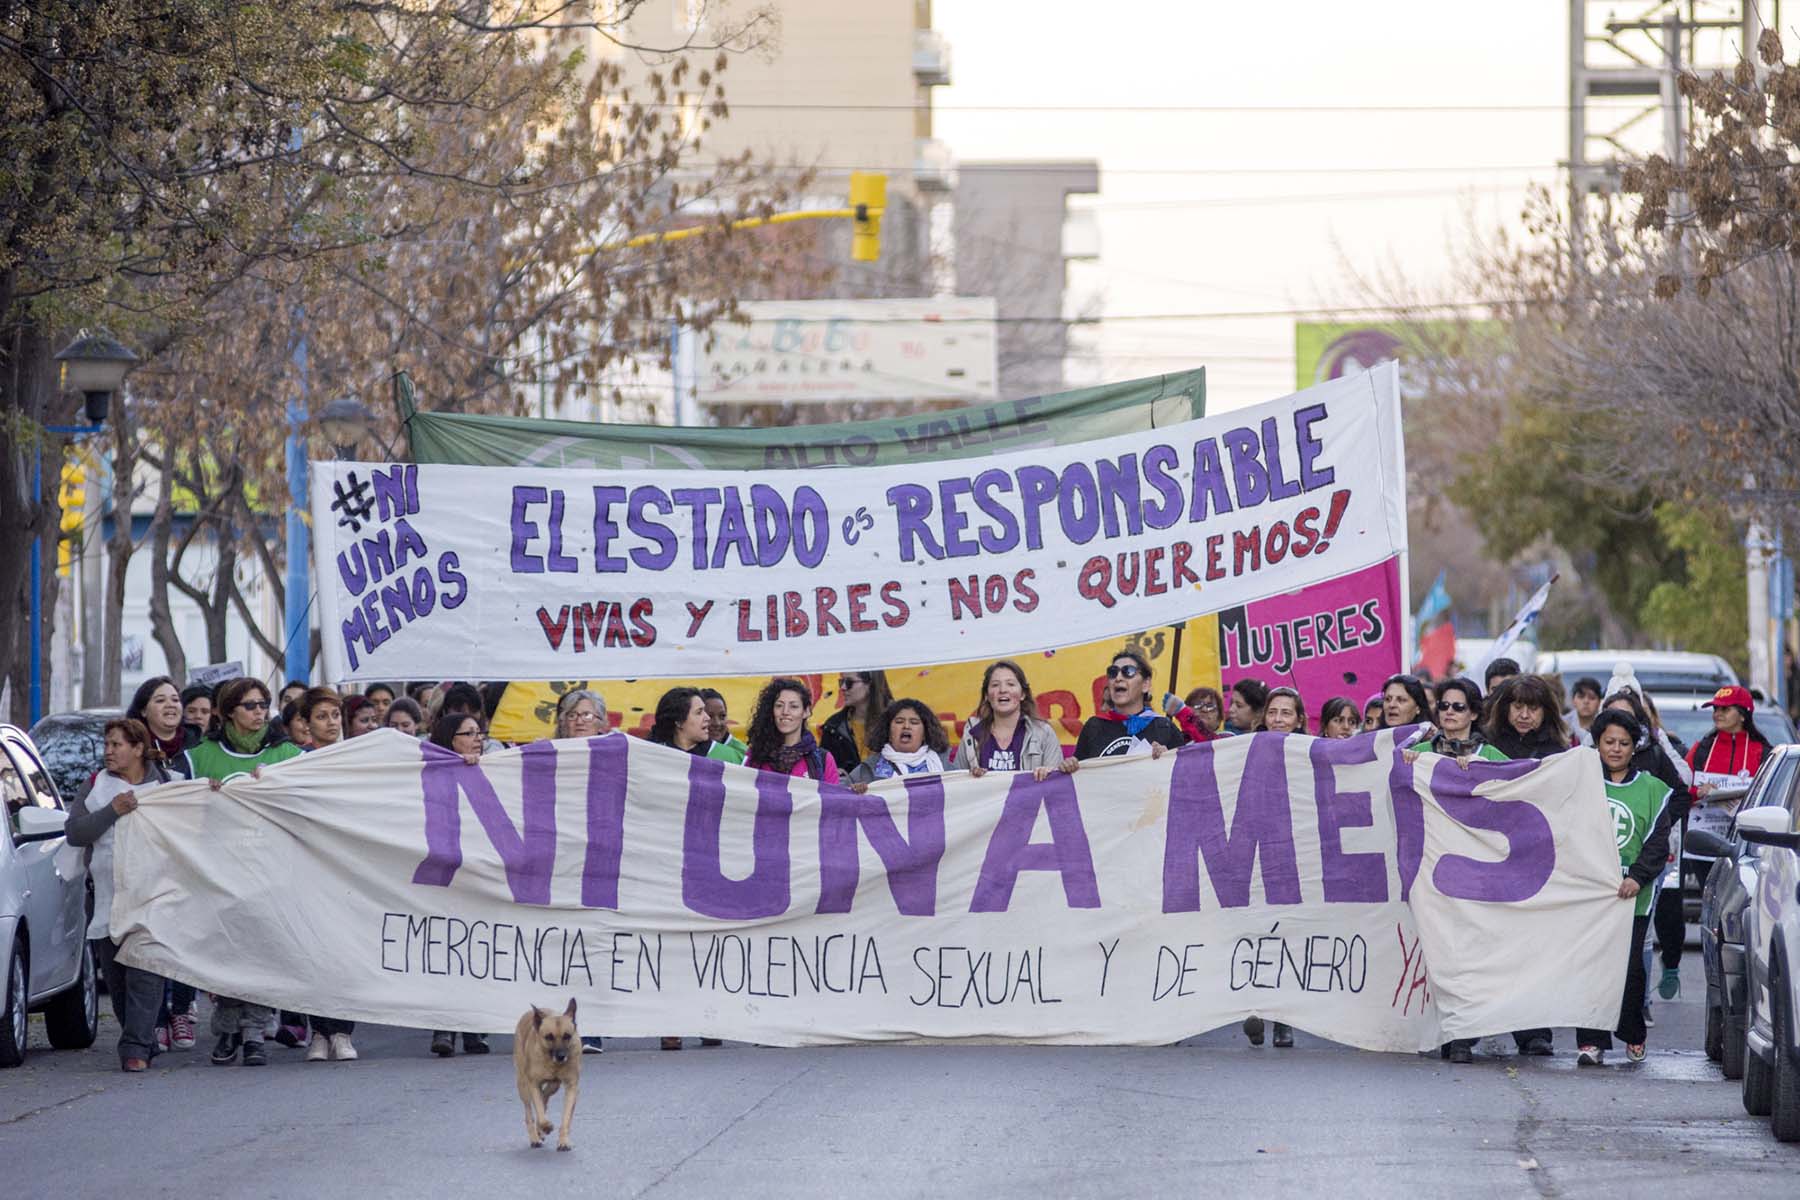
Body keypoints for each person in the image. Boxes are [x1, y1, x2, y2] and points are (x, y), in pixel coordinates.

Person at [179, 677, 303, 1066]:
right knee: (229, 954)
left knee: (264, 953)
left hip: (272, 871)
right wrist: (204, 796)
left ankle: (254, 1034)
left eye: (264, 704)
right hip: (220, 871)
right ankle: (227, 1028)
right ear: (228, 710)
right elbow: (181, 812)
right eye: (250, 705)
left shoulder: (288, 754)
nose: (260, 711)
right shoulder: (201, 756)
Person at [64, 718, 171, 1072]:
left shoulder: (166, 784)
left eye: (117, 745)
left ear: (138, 748)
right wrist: (113, 811)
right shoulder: (95, 786)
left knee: (146, 969)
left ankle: (136, 1048)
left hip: (155, 897)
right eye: (106, 744)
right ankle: (141, 1037)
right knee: (119, 979)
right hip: (107, 900)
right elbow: (76, 833)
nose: (108, 751)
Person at [1577, 710, 1680, 1066]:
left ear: (1633, 746)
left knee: (1631, 968)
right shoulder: (1582, 781)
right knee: (1590, 966)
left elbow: (1657, 842)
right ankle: (1591, 1041)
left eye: (1623, 743)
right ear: (1597, 743)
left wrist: (1636, 876)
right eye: (1609, 742)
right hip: (1590, 894)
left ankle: (1633, 1032)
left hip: (1633, 896)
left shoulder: (1652, 789)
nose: (1616, 749)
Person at [1474, 673, 1568, 1059]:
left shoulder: (1561, 753)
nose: (1524, 714)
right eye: (1517, 706)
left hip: (1537, 862)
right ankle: (1475, 1023)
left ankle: (1533, 1030)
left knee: (1531, 950)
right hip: (1490, 856)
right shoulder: (1488, 746)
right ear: (1505, 708)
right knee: (1488, 945)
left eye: (1533, 707)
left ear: (1545, 711)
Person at [427, 711, 493, 1059]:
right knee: (446, 949)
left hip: (479, 873)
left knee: (476, 948)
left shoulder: (496, 768)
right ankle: (444, 1026)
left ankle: (474, 1028)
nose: (477, 738)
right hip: (444, 872)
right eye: (468, 734)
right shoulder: (430, 771)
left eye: (479, 732)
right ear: (449, 740)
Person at [552, 688, 609, 1056]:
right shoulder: (545, 757)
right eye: (573, 714)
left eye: (587, 714)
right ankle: (559, 1032)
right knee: (563, 948)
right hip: (559, 865)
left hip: (602, 864)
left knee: (596, 949)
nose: (579, 720)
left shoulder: (615, 758)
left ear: (602, 722)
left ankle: (593, 1030)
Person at [953, 660, 1071, 779]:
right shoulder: (971, 734)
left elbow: (1057, 785)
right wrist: (971, 778)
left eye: (1010, 684)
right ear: (986, 696)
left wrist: (1047, 774)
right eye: (995, 685)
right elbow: (954, 784)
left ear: (1023, 694)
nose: (1003, 690)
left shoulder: (1044, 733)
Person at [1074, 650, 1183, 760]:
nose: (1118, 678)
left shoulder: (1164, 727)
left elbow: (1186, 771)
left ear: (1145, 684)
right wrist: (1070, 766)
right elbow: (1079, 772)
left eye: (1128, 671)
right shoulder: (1094, 726)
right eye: (1113, 672)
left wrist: (1169, 759)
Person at [745, 678, 840, 783]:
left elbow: (833, 798)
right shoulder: (756, 756)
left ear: (806, 711)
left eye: (793, 706)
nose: (785, 712)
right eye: (779, 705)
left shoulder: (824, 760)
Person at [848, 699, 951, 788]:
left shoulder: (944, 764)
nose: (906, 726)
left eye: (914, 722)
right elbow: (840, 795)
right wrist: (854, 791)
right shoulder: (869, 768)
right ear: (888, 730)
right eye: (899, 721)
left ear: (925, 733)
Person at [819, 670, 895, 775]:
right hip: (848, 790)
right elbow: (823, 768)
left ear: (870, 684)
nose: (843, 688)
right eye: (841, 682)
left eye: (849, 682)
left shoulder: (898, 720)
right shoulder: (833, 726)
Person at [126, 676, 198, 777]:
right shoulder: (131, 750)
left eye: (175, 700)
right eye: (160, 700)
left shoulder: (199, 745)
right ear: (143, 711)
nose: (170, 705)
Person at [649, 687, 740, 764]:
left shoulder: (731, 758)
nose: (707, 717)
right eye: (699, 712)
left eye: (705, 711)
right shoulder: (651, 756)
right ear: (679, 722)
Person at [698, 688, 748, 763]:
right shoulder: (683, 751)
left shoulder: (744, 755)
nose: (717, 723)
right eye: (709, 716)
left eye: (722, 716)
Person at [1565, 676, 1603, 744]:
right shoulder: (1562, 725)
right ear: (1573, 700)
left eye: (1592, 698)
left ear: (1599, 702)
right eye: (1581, 697)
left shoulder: (1604, 725)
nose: (1586, 701)